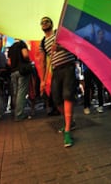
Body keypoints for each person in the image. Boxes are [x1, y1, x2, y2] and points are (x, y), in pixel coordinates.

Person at [39, 16, 76, 147]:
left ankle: (67, 131)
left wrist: (60, 47)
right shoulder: (43, 42)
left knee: (67, 95)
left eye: (46, 21)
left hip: (68, 67)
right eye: (42, 23)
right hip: (56, 70)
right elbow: (43, 62)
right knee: (56, 99)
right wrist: (42, 80)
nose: (44, 24)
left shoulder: (59, 34)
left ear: (51, 23)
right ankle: (69, 122)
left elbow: (73, 46)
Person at [7, 38, 31, 122]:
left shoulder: (11, 47)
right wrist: (29, 61)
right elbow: (25, 55)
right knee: (21, 92)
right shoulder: (22, 44)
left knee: (15, 93)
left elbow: (9, 63)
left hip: (13, 72)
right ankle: (19, 114)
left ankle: (16, 113)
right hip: (22, 71)